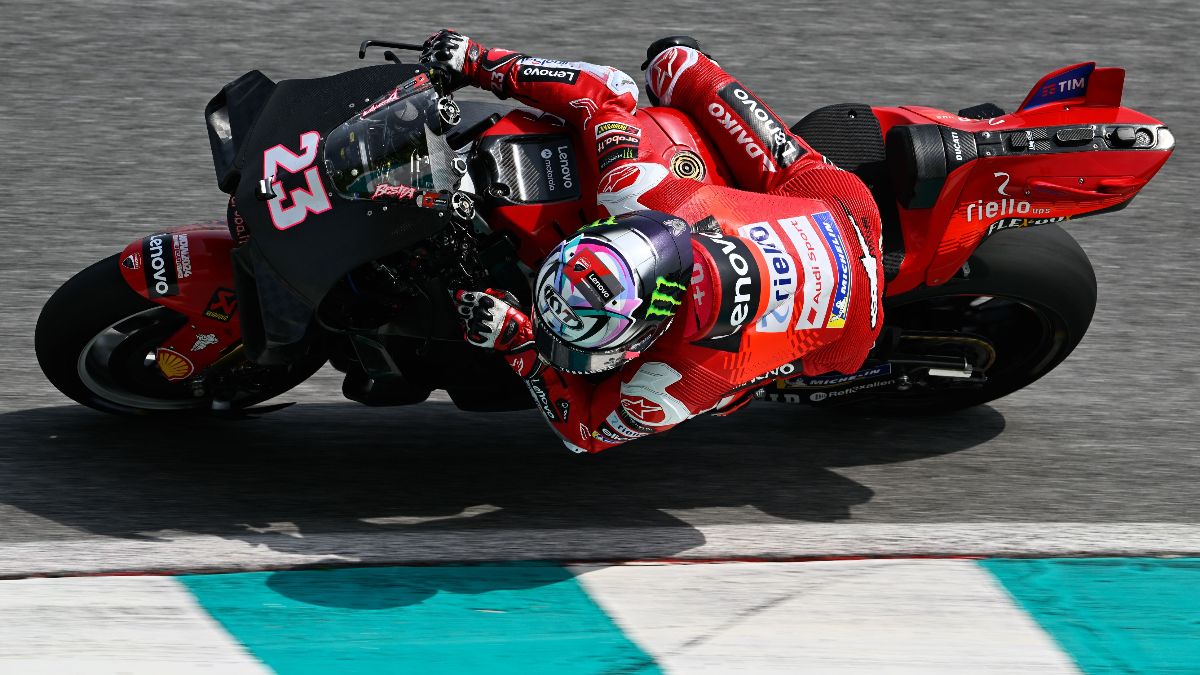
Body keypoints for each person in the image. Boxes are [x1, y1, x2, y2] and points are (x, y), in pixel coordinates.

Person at [423, 30, 884, 453]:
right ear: (604, 235)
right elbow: (604, 91)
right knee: (675, 63)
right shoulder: (641, 191)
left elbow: (585, 434)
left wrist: (520, 344)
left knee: (727, 399)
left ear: (645, 336)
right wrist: (480, 62)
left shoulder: (682, 375)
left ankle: (756, 385)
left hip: (851, 322)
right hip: (826, 207)